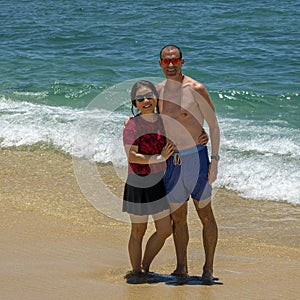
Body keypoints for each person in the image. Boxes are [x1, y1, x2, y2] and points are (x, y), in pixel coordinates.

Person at [156, 44, 220, 284]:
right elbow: (154, 122)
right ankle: (181, 267)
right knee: (178, 218)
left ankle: (208, 269)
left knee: (205, 215)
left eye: (175, 61)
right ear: (160, 64)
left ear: (182, 62)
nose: (170, 65)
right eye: (166, 61)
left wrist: (214, 160)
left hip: (197, 159)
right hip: (173, 162)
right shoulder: (159, 91)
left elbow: (213, 126)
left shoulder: (196, 89)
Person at [122, 80, 174, 283]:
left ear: (156, 98)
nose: (145, 101)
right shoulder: (132, 125)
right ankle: (136, 273)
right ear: (134, 103)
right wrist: (159, 158)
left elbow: (181, 132)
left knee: (165, 230)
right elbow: (132, 156)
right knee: (138, 230)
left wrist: (201, 135)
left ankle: (145, 267)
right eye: (140, 98)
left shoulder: (163, 121)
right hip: (138, 181)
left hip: (158, 181)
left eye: (149, 96)